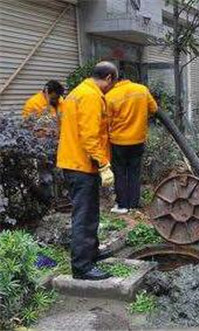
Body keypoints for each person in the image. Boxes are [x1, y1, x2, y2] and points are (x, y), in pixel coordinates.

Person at [57, 62, 118, 280]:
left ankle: (91, 253)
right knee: (84, 215)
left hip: (75, 162)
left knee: (90, 211)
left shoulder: (77, 92)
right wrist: (103, 164)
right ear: (109, 78)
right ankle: (82, 267)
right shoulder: (91, 97)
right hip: (82, 165)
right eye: (112, 83)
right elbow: (90, 136)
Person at [105, 76, 158, 214]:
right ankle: (134, 204)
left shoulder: (110, 96)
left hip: (118, 142)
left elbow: (106, 121)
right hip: (138, 140)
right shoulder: (142, 90)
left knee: (120, 172)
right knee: (135, 172)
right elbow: (154, 108)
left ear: (116, 81)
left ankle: (122, 205)